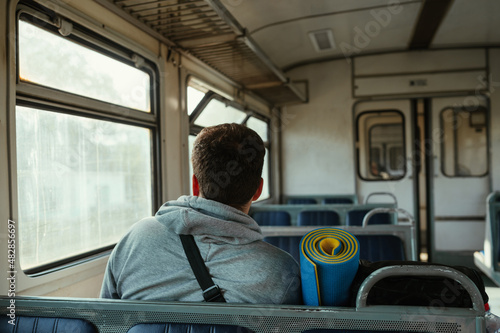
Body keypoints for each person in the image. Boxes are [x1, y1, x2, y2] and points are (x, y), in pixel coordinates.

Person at [100, 123, 301, 304]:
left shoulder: (135, 239)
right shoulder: (282, 271)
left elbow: (106, 318)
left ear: (195, 184)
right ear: (258, 190)